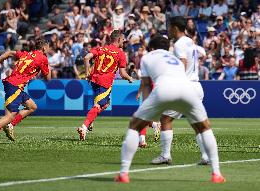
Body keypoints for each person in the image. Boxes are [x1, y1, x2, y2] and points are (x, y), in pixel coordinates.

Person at [114, 34, 225, 183]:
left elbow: (146, 85)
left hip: (164, 89)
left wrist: (146, 112)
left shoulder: (147, 57)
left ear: (152, 48)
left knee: (134, 126)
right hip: (188, 89)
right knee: (204, 127)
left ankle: (123, 173)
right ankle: (217, 174)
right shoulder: (175, 59)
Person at [151, 16, 210, 166]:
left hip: (185, 86)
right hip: (196, 86)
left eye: (169, 27)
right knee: (197, 123)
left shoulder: (179, 45)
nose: (168, 30)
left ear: (175, 28)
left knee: (165, 119)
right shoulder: (191, 41)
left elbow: (182, 64)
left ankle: (165, 155)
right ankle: (205, 156)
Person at [0, 38, 51, 146]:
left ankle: (10, 125)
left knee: (32, 107)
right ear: (44, 48)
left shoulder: (27, 54)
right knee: (10, 116)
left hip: (14, 84)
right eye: (48, 47)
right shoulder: (43, 58)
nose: (49, 49)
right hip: (15, 85)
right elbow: (48, 79)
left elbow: (9, 53)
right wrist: (48, 67)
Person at [77, 30, 133, 141]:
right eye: (122, 39)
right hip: (105, 82)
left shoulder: (100, 48)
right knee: (99, 105)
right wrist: (130, 78)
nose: (123, 41)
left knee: (106, 103)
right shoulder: (120, 53)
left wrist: (88, 73)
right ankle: (84, 127)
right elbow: (122, 73)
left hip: (94, 80)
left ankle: (91, 121)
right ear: (118, 39)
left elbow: (86, 58)